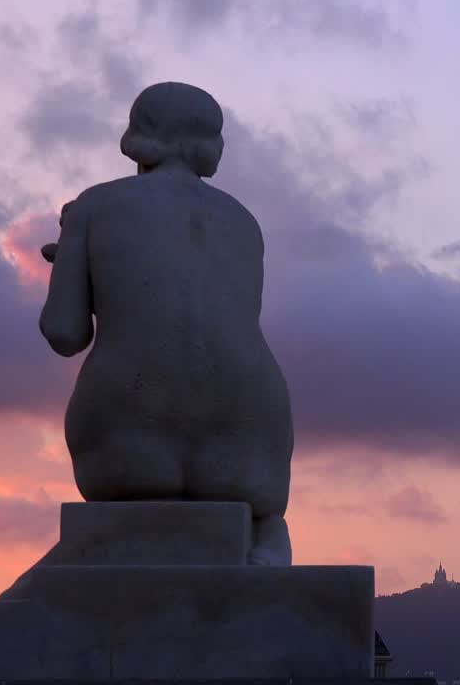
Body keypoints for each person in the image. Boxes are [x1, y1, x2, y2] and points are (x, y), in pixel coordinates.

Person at [37, 81, 293, 566]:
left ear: (137, 136)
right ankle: (269, 536)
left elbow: (64, 333)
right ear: (210, 144)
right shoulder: (243, 220)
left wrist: (73, 266)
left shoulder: (93, 206)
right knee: (263, 513)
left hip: (131, 431)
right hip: (249, 431)